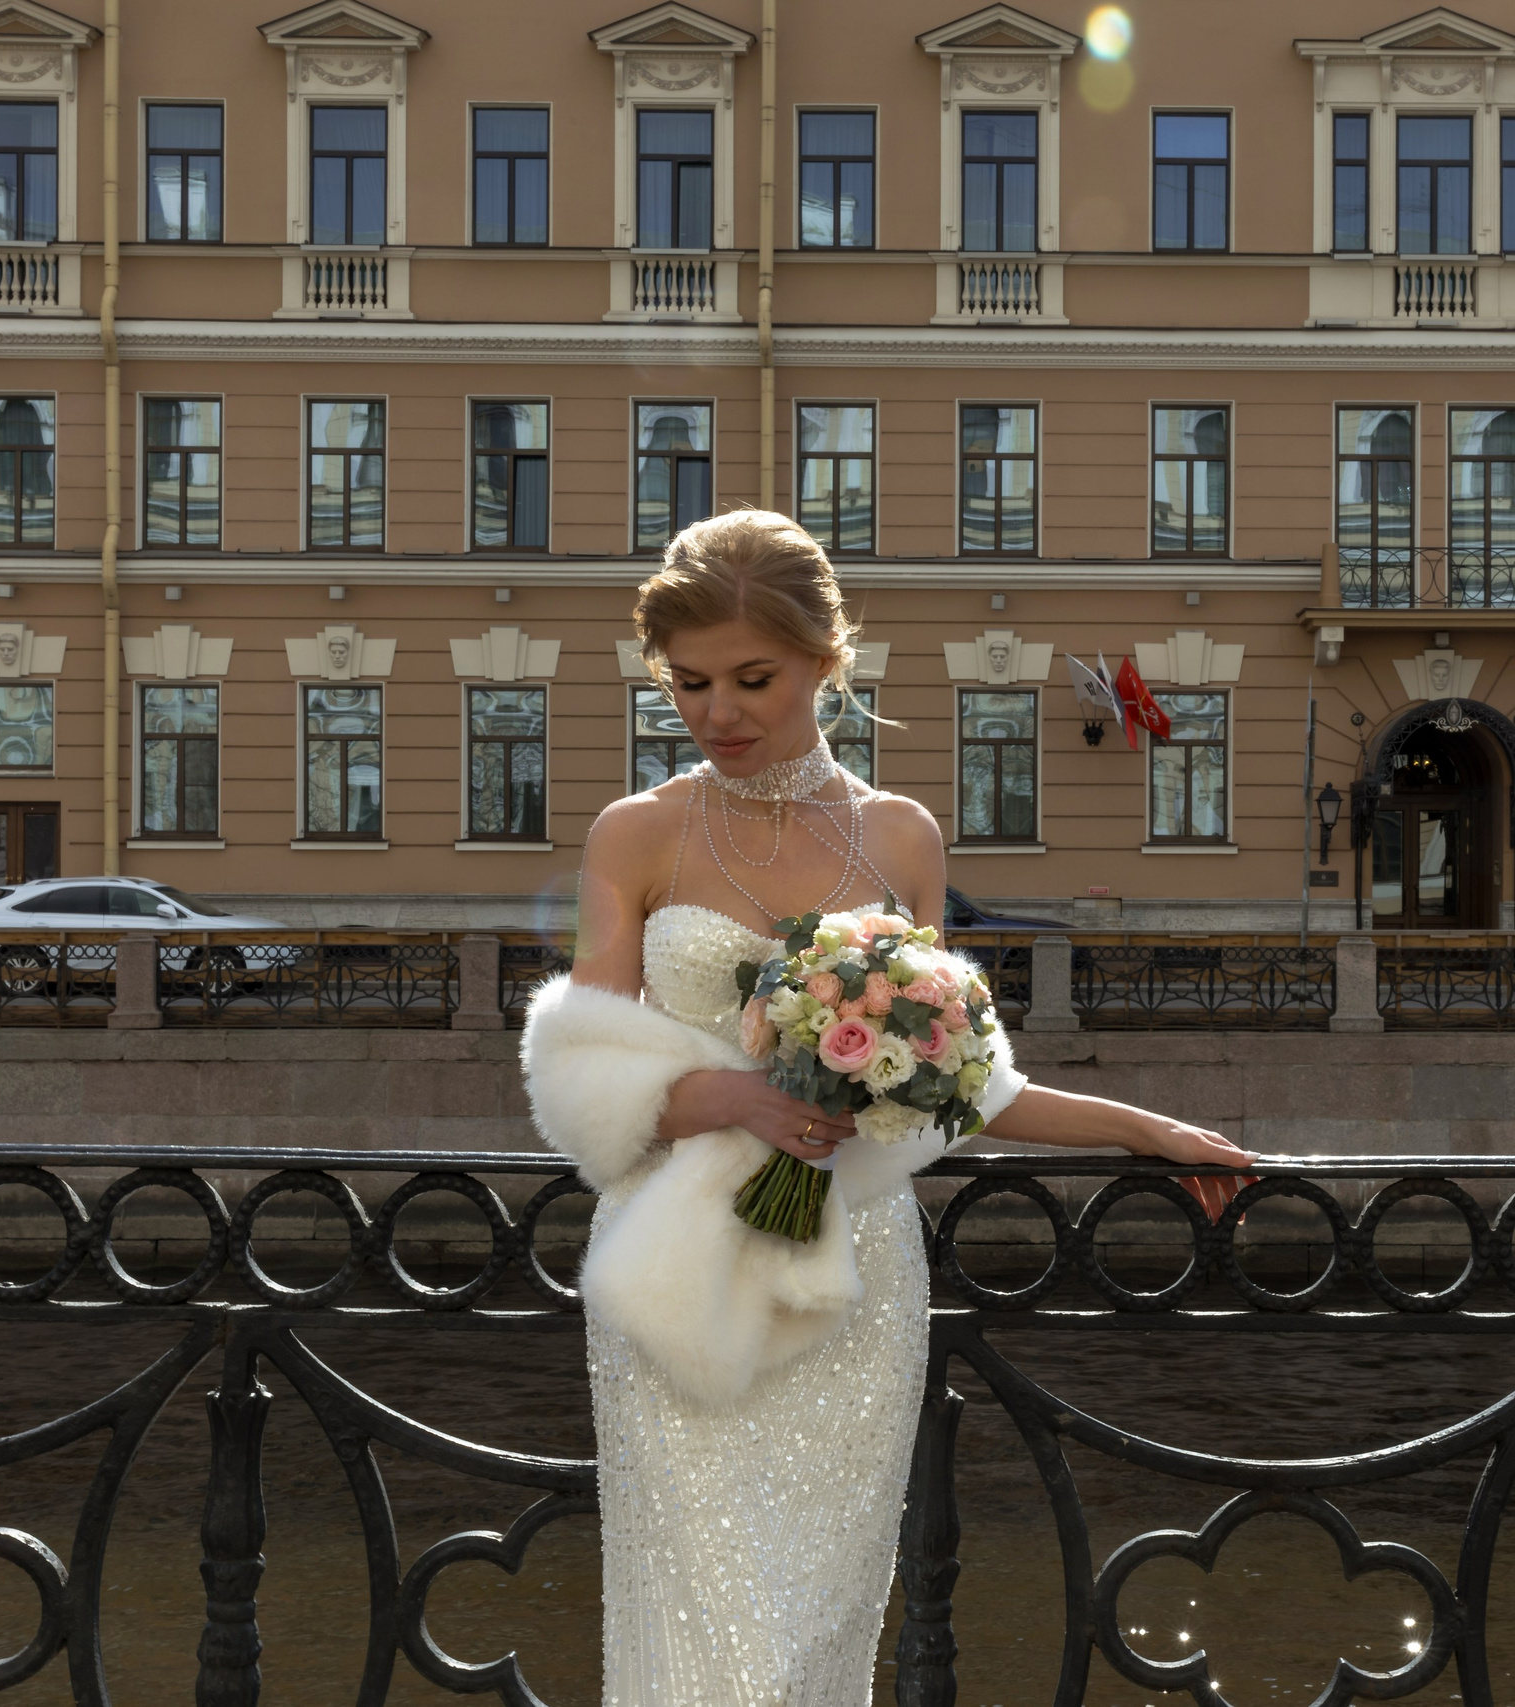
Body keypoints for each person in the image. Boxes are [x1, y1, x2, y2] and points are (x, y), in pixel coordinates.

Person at [519, 508, 1252, 1706]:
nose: (718, 712)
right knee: (711, 1634)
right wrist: (728, 1096)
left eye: (752, 679)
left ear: (827, 661)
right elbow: (578, 1070)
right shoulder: (637, 832)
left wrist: (1143, 1130)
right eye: (690, 683)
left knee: (813, 1634)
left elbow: (955, 1082)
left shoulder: (899, 836)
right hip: (677, 1276)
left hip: (850, 1278)